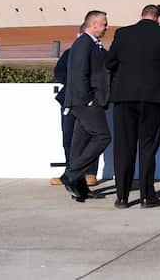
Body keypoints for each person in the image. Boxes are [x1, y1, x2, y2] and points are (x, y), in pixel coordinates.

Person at [105, 4, 160, 209]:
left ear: (140, 16)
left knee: (124, 147)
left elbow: (109, 62)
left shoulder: (122, 33)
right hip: (154, 97)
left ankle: (122, 197)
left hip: (124, 97)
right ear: (158, 18)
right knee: (148, 147)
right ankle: (148, 196)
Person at [60, 10, 110, 202]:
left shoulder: (90, 44)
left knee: (79, 145)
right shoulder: (84, 43)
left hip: (86, 101)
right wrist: (88, 99)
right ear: (94, 24)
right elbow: (79, 73)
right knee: (103, 136)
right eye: (104, 24)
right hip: (85, 102)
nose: (106, 27)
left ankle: (79, 188)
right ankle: (71, 174)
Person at [51, 28, 98, 188]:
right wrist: (75, 83)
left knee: (92, 138)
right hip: (69, 101)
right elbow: (59, 73)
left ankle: (90, 173)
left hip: (89, 102)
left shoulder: (98, 53)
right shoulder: (69, 54)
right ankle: (70, 173)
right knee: (68, 138)